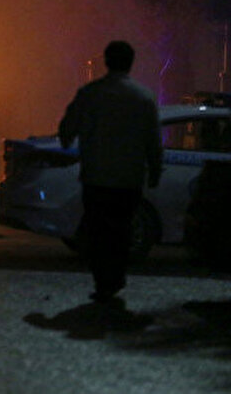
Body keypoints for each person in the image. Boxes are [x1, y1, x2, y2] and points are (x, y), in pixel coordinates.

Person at [58, 41, 162, 303]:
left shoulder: (90, 93)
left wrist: (68, 139)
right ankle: (115, 277)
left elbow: (67, 128)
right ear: (131, 63)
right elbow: (153, 139)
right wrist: (155, 169)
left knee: (98, 229)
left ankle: (103, 279)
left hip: (96, 178)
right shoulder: (144, 97)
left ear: (106, 61)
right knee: (121, 228)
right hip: (129, 179)